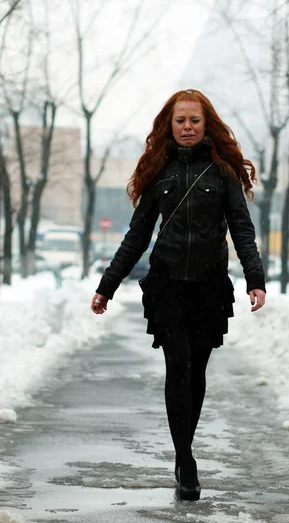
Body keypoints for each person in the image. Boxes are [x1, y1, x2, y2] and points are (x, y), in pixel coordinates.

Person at [91, 89, 266, 501]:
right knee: (179, 366)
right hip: (167, 283)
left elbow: (242, 229)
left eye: (194, 121)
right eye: (180, 121)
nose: (187, 127)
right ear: (169, 126)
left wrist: (254, 278)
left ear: (207, 125)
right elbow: (136, 237)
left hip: (209, 285)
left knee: (197, 372)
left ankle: (182, 450)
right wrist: (107, 286)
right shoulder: (160, 172)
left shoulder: (222, 172)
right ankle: (185, 459)